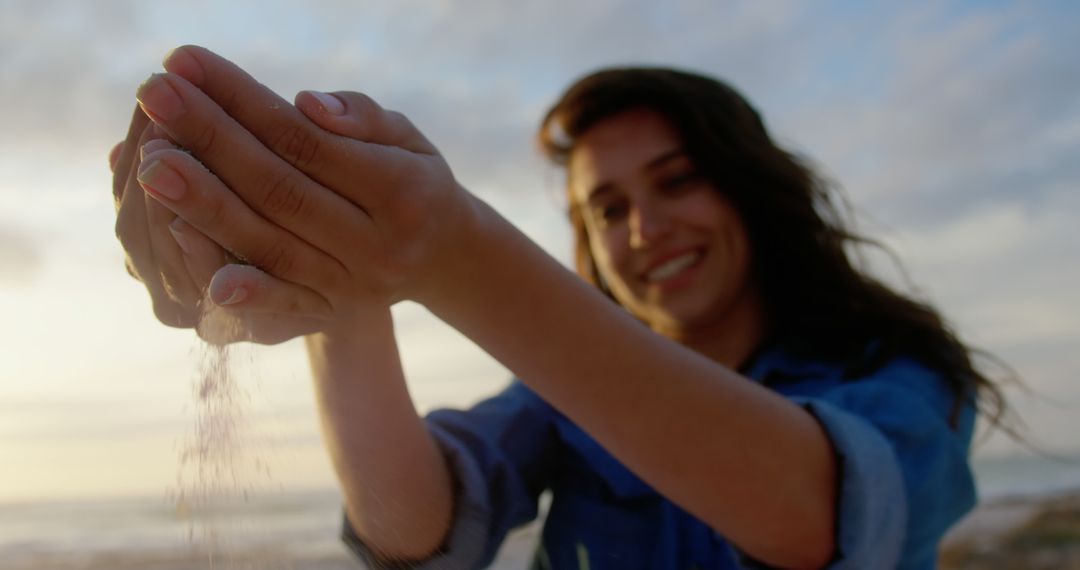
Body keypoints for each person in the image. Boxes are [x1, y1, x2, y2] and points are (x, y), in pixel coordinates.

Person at [110, 46, 1010, 569]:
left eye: (679, 181)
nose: (647, 228)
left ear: (753, 190)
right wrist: (336, 295)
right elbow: (417, 528)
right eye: (608, 209)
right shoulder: (555, 397)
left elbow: (828, 514)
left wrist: (451, 248)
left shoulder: (897, 371)